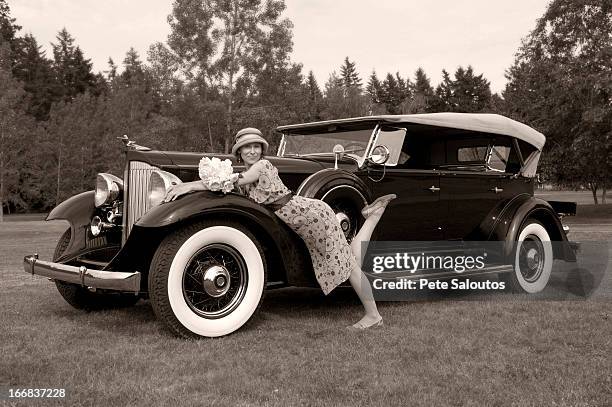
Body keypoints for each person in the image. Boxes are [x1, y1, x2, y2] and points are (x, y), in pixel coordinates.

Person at [164, 127, 396, 330]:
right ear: (239, 152)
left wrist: (189, 185)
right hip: (305, 217)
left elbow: (231, 182)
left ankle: (373, 316)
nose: (253, 151)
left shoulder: (261, 166)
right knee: (351, 259)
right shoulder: (249, 172)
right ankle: (372, 217)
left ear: (262, 150)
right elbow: (226, 189)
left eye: (256, 146)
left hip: (311, 216)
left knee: (351, 265)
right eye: (247, 148)